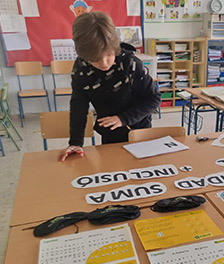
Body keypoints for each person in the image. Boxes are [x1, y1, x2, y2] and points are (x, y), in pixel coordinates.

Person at [58, 11, 161, 161]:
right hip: (110, 133)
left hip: (138, 129)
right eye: (96, 60)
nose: (104, 63)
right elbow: (78, 106)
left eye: (108, 55)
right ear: (85, 56)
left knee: (141, 170)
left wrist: (123, 118)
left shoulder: (130, 64)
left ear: (114, 46)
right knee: (113, 169)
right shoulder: (81, 70)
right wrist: (75, 142)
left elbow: (153, 98)